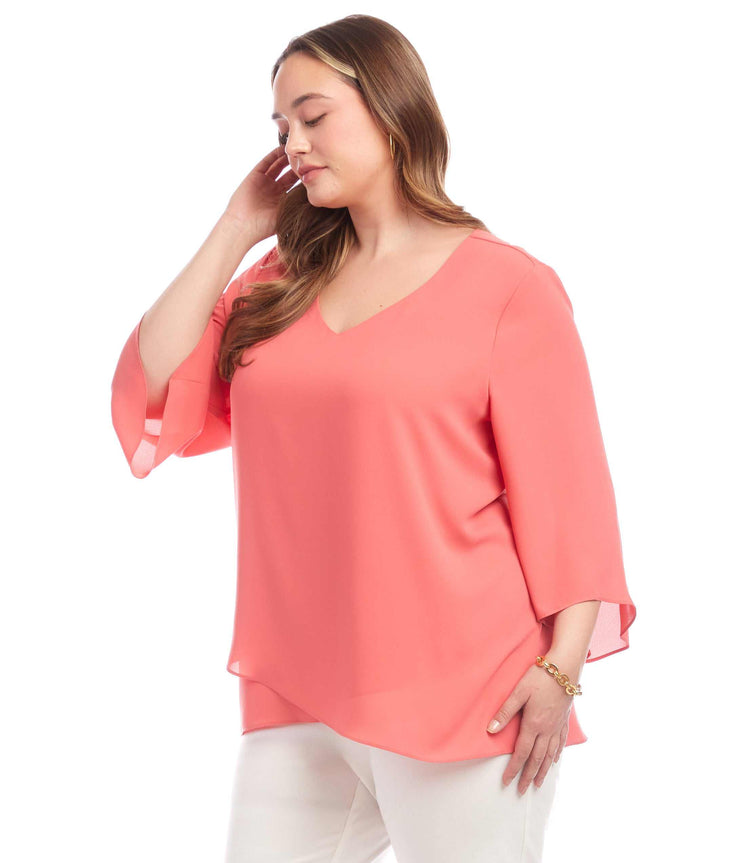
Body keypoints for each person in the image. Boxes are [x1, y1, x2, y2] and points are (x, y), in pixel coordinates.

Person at [110, 14, 636, 863]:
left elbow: (568, 497)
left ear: (391, 110)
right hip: (298, 692)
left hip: (468, 693)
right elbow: (155, 382)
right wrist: (237, 225)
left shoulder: (509, 289)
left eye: (314, 117)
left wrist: (561, 669)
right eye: (281, 127)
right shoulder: (276, 284)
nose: (295, 143)